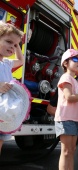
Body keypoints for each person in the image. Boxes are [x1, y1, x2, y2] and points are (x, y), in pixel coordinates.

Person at [0, 21, 24, 154]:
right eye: (9, 42)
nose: (12, 47)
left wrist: (17, 45)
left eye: (15, 45)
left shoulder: (7, 63)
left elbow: (20, 61)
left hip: (3, 112)